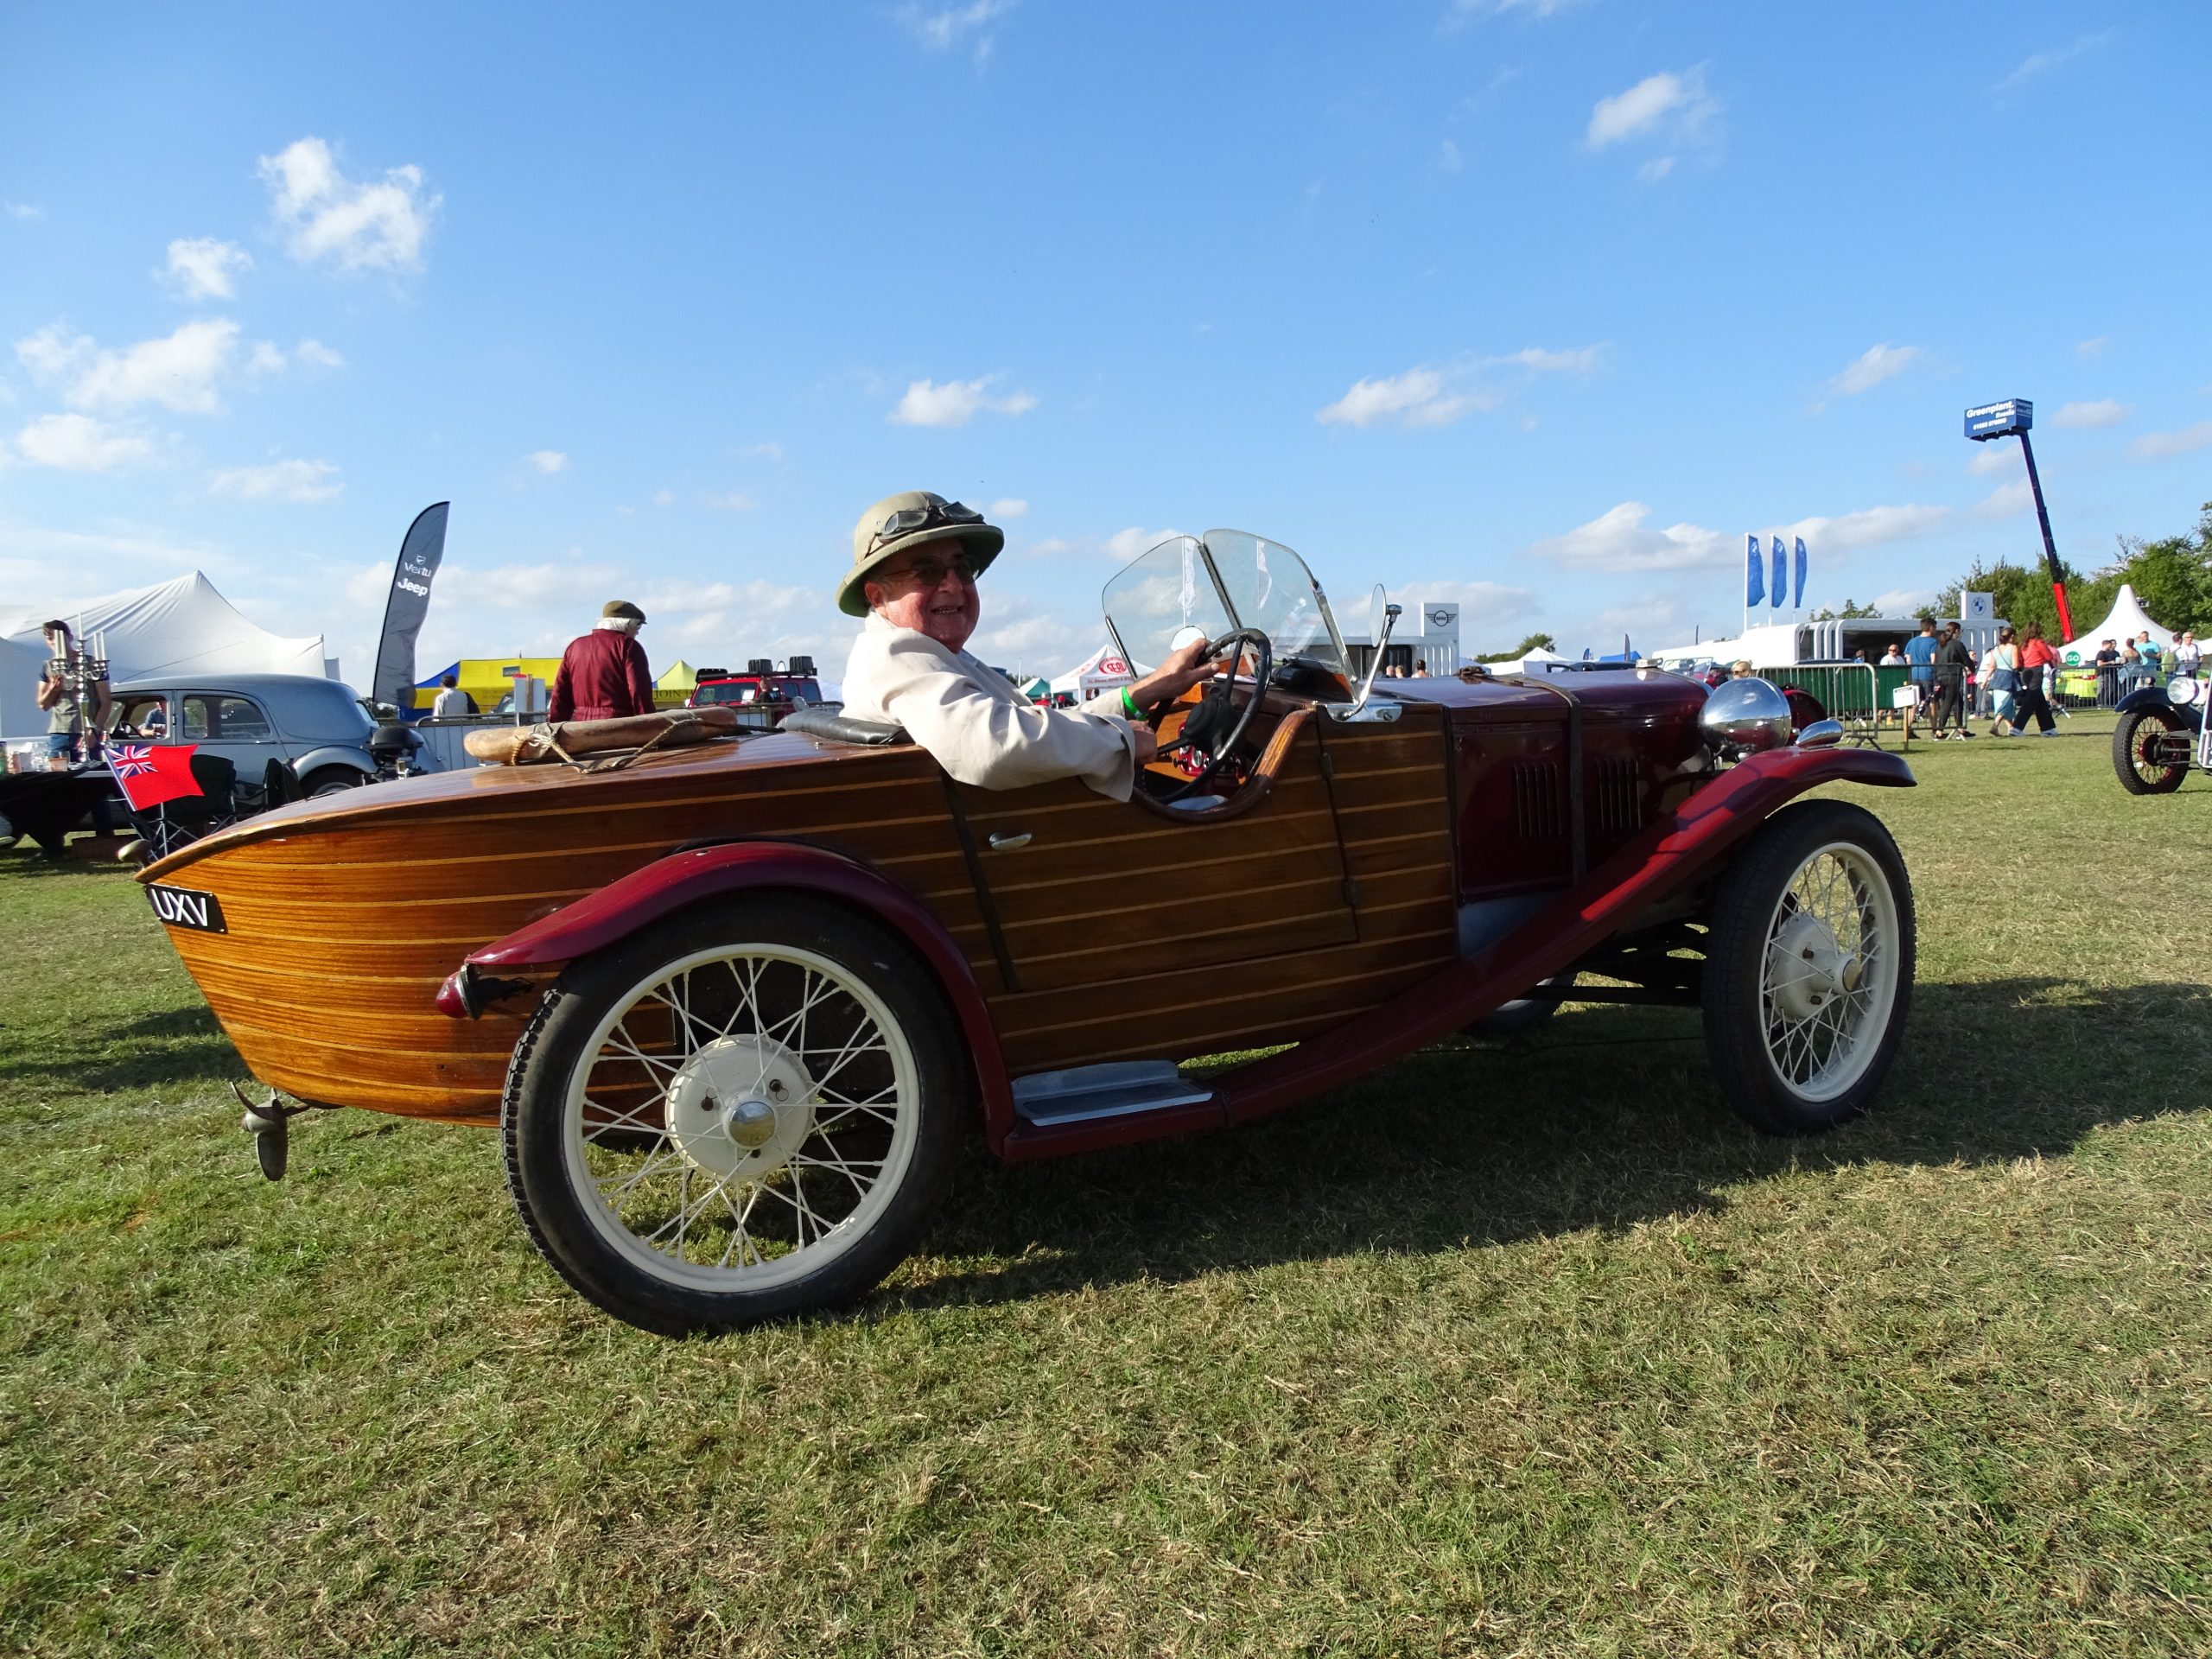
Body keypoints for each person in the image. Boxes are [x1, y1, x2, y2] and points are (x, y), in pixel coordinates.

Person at [836, 492, 1217, 799]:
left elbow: (1031, 722)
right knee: (1213, 803)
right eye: (927, 571)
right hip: (1004, 847)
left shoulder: (937, 656)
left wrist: (1147, 691)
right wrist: (1119, 738)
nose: (952, 585)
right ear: (877, 596)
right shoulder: (894, 655)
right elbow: (993, 744)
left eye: (963, 568)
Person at [547, 601, 657, 723]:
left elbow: (560, 692)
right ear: (627, 624)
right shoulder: (628, 646)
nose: (637, 632)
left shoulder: (575, 646)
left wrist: (554, 726)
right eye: (637, 627)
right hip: (620, 726)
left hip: (581, 728)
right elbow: (639, 691)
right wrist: (650, 723)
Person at [32, 620, 111, 768]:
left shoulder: (91, 663)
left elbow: (106, 701)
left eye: (57, 637)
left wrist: (94, 730)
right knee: (58, 777)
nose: (54, 642)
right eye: (49, 638)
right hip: (60, 733)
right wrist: (53, 689)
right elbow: (43, 704)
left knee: (91, 775)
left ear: (70, 637)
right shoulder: (48, 666)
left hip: (87, 731)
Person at [2014, 620, 2059, 736]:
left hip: (2026, 671)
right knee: (2030, 701)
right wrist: (2052, 666)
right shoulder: (2039, 643)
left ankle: (2047, 728)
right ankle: (2017, 727)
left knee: (2040, 701)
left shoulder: (2024, 644)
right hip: (2036, 671)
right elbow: (2048, 656)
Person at [1932, 622, 1974, 740]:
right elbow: (1965, 658)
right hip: (1952, 676)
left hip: (1941, 676)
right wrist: (1972, 669)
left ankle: (1961, 729)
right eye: (1959, 631)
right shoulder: (1956, 644)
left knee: (1958, 702)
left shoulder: (1940, 645)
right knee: (1948, 703)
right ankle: (1939, 732)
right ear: (1956, 631)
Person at [1982, 625, 2021, 736]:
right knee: (2006, 703)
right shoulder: (2013, 648)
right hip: (2008, 677)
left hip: (1997, 677)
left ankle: (2011, 729)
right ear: (2012, 636)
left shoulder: (1996, 649)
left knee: (2003, 704)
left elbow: (1992, 666)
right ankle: (1995, 725)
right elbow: (2015, 665)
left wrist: (1985, 680)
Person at [1904, 618, 1938, 737]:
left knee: (1914, 703)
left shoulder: (1911, 642)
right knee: (1932, 702)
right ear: (1931, 627)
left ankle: (1907, 729)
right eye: (1935, 627)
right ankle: (1935, 729)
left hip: (1914, 674)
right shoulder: (1933, 642)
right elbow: (1934, 659)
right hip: (1928, 674)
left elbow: (1908, 659)